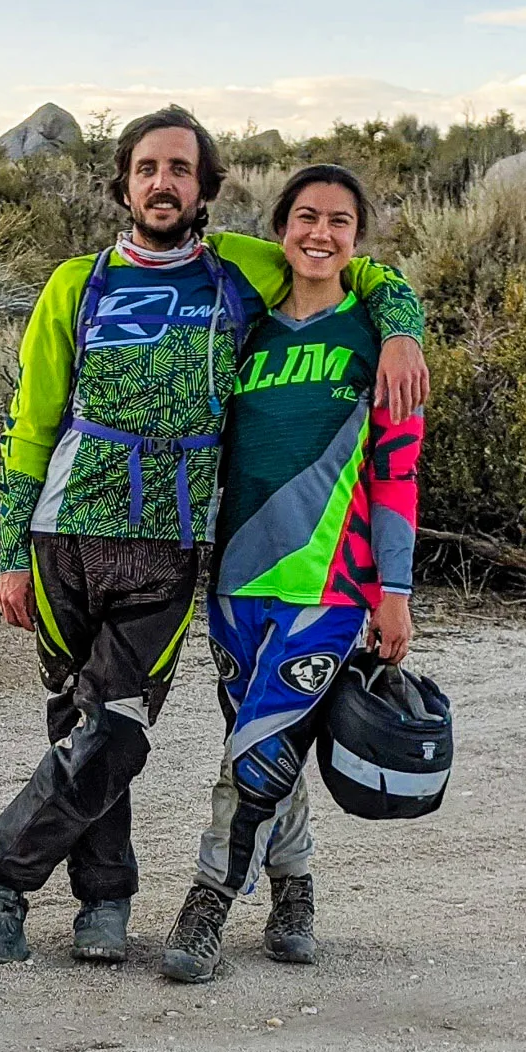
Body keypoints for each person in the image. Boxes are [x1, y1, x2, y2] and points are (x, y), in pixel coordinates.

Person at [0, 108, 428, 965]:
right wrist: (8, 554)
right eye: (147, 167)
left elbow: (350, 267)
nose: (162, 182)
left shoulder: (240, 270)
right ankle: (103, 905)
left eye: (180, 169)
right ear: (124, 181)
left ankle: (2, 872)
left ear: (204, 187)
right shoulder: (76, 283)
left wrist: (401, 328)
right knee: (76, 726)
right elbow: (28, 425)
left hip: (172, 544)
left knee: (117, 730)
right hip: (63, 533)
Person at [160, 164, 421, 982]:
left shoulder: (379, 343)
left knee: (259, 750)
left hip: (333, 589)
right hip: (237, 582)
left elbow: (398, 474)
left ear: (358, 240)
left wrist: (397, 592)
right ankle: (295, 886)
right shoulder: (249, 333)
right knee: (263, 740)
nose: (321, 233)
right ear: (282, 230)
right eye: (306, 217)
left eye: (340, 222)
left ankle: (207, 902)